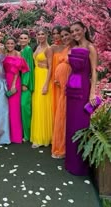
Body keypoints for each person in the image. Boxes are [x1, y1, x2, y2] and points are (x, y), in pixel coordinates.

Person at [65, 21, 97, 176]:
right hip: (71, 88)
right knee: (71, 124)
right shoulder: (73, 48)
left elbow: (95, 73)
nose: (74, 33)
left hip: (83, 88)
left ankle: (80, 165)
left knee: (80, 123)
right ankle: (70, 162)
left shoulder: (90, 47)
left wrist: (92, 93)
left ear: (84, 29)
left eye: (77, 30)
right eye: (72, 31)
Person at [51, 27, 76, 159]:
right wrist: (57, 78)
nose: (65, 37)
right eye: (63, 35)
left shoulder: (77, 48)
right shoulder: (66, 49)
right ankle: (61, 145)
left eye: (67, 34)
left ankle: (65, 147)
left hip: (70, 86)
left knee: (65, 114)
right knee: (61, 114)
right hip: (61, 86)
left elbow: (78, 69)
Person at [3, 37, 29, 143]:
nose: (10, 45)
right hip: (5, 80)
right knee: (6, 109)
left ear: (15, 44)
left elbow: (18, 71)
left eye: (12, 43)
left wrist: (13, 85)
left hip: (14, 82)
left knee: (14, 109)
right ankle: (7, 134)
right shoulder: (4, 54)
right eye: (8, 43)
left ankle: (16, 136)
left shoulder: (18, 54)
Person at [30, 28, 53, 148]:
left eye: (43, 33)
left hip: (44, 77)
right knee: (37, 106)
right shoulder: (37, 48)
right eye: (38, 34)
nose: (40, 35)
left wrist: (46, 84)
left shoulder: (48, 49)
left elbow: (50, 67)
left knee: (42, 106)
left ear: (47, 34)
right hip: (37, 76)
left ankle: (43, 137)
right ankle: (37, 135)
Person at [19, 30, 35, 141]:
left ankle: (28, 134)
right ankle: (25, 133)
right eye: (21, 38)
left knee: (25, 107)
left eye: (25, 38)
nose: (23, 40)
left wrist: (25, 83)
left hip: (26, 83)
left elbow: (28, 67)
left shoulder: (28, 50)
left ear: (29, 40)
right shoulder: (22, 50)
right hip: (20, 80)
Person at [51, 26, 65, 122]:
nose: (56, 36)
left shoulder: (68, 47)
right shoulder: (52, 48)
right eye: (54, 33)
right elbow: (49, 65)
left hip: (65, 78)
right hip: (54, 79)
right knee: (54, 101)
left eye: (57, 33)